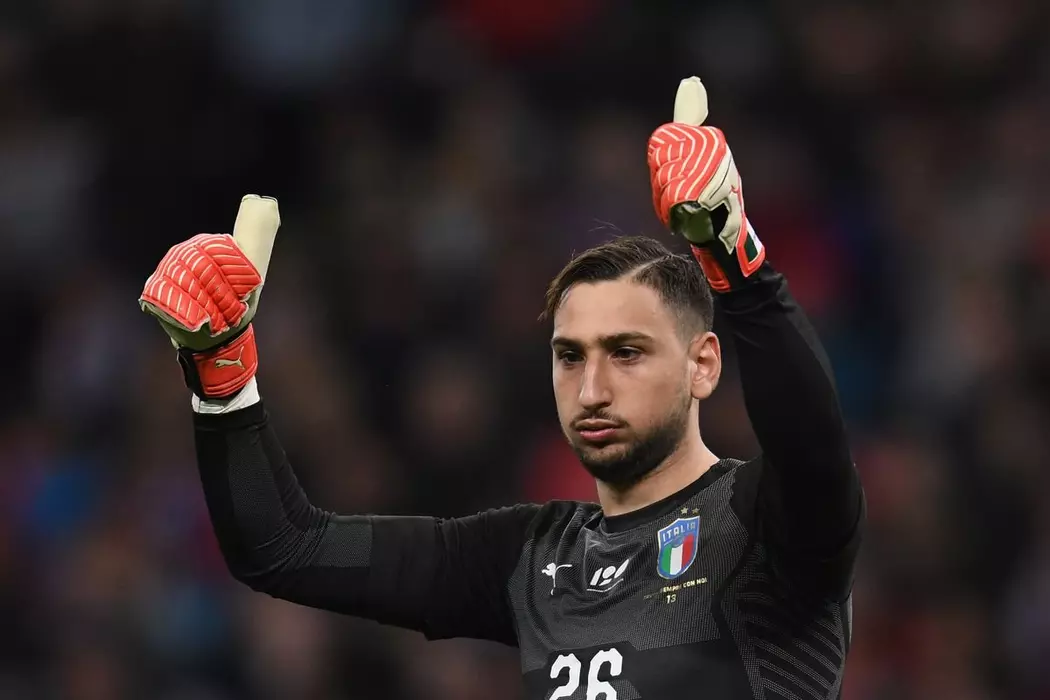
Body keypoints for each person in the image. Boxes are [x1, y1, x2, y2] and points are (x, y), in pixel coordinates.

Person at [139, 77, 864, 699]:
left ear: (703, 365)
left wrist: (731, 252)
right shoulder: (530, 557)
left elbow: (814, 450)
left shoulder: (761, 528)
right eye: (570, 357)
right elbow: (286, 548)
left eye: (627, 352)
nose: (592, 387)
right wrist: (222, 378)